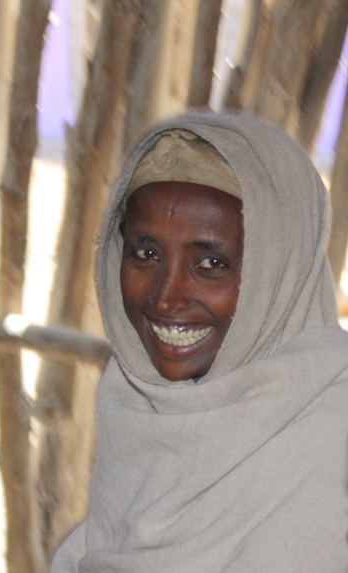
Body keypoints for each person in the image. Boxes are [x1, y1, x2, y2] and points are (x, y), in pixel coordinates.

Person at [51, 112, 348, 571]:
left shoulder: (333, 440)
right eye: (146, 254)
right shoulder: (134, 412)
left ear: (279, 270)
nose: (165, 298)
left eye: (211, 263)